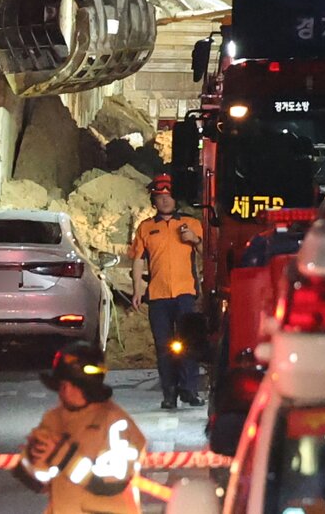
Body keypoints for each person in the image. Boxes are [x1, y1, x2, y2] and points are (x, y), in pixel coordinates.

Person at [15, 342, 146, 514]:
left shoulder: (115, 423)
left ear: (79, 385)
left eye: (64, 384)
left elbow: (111, 483)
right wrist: (33, 459)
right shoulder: (53, 418)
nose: (61, 391)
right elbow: (37, 482)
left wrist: (62, 456)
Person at [129, 174, 204, 409]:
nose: (165, 201)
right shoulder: (146, 228)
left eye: (169, 196)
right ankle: (169, 394)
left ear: (176, 199)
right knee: (164, 346)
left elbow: (207, 253)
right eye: (160, 197)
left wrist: (194, 240)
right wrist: (137, 290)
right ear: (154, 200)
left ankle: (189, 390)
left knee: (188, 343)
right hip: (158, 296)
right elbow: (138, 261)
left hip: (185, 293)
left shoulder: (192, 224)